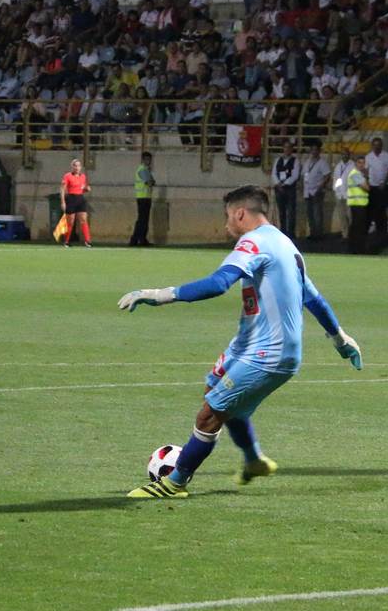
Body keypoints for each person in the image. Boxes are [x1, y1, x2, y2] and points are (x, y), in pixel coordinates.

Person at [116, 185, 363, 499]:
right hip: (248, 345)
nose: (226, 226)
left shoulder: (254, 242)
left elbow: (219, 284)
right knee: (215, 392)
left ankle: (174, 483)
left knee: (209, 414)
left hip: (268, 353)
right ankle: (253, 460)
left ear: (240, 213)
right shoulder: (286, 245)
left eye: (227, 217)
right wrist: (340, 339)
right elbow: (313, 299)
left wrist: (157, 295)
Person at [363, 136, 388, 237]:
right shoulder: (368, 157)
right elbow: (366, 170)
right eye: (375, 145)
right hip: (373, 185)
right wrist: (367, 182)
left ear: (382, 146)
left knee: (387, 205)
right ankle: (373, 224)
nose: (377, 147)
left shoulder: (387, 155)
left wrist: (385, 182)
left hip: (385, 185)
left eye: (379, 145)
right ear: (372, 146)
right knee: (373, 206)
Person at [300, 142, 331, 239]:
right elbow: (303, 175)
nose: (314, 152)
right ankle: (312, 233)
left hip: (317, 191)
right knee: (309, 213)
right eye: (312, 150)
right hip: (307, 191)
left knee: (317, 213)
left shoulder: (322, 163)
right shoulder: (307, 162)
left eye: (316, 150)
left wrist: (320, 187)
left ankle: (318, 234)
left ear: (319, 151)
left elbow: (327, 176)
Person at [60, 158, 92, 247]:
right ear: (72, 167)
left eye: (78, 166)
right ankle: (66, 241)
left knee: (83, 219)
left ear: (80, 167)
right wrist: (63, 202)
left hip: (80, 199)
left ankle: (87, 240)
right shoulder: (67, 176)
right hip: (71, 199)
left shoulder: (83, 177)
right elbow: (62, 189)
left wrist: (86, 189)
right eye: (75, 165)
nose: (76, 167)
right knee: (70, 221)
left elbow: (81, 189)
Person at [270, 143, 300, 239]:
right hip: (279, 188)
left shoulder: (296, 161)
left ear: (291, 149)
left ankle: (290, 233)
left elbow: (295, 175)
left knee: (291, 211)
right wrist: (278, 184)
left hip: (289, 188)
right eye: (285, 148)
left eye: (289, 148)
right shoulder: (278, 160)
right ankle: (282, 231)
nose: (287, 150)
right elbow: (274, 173)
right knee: (281, 211)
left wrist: (285, 184)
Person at [130, 152, 156, 246]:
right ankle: (137, 239)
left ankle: (139, 239)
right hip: (143, 197)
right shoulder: (142, 170)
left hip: (145, 196)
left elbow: (152, 182)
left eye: (149, 160)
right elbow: (150, 182)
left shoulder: (145, 169)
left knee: (143, 220)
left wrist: (151, 181)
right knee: (142, 220)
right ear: (143, 160)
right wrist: (151, 181)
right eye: (146, 159)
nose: (148, 161)